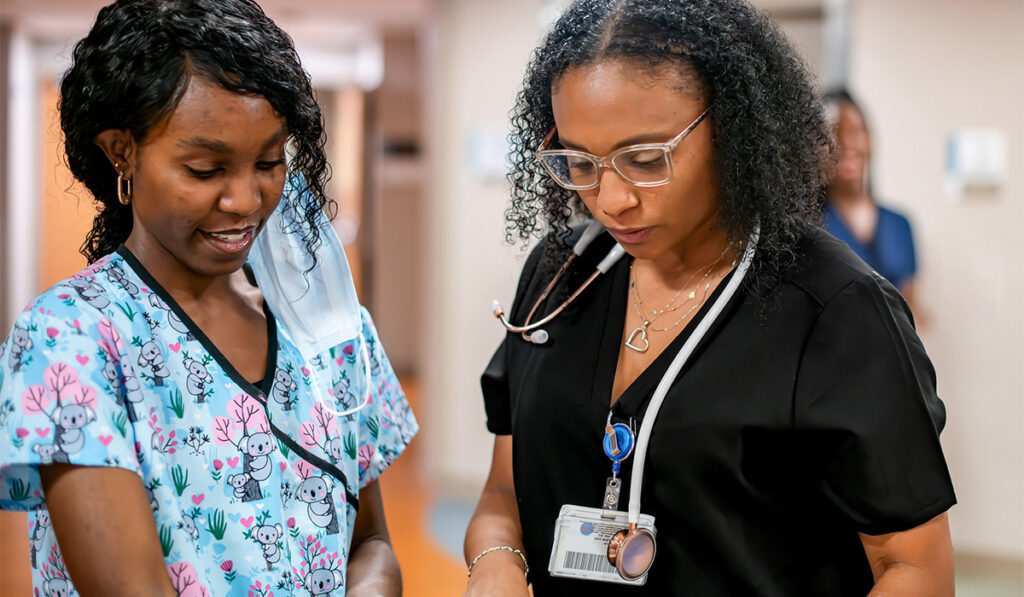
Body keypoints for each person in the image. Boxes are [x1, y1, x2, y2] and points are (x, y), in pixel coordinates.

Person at [464, 1, 955, 596]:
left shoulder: (836, 309)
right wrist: (496, 565)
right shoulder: (560, 274)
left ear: (731, 125)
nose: (611, 199)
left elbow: (915, 570)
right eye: (579, 162)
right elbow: (501, 494)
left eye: (645, 160)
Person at [0, 1, 417, 596]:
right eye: (204, 169)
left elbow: (371, 542)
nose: (247, 200)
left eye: (270, 161)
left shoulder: (329, 327)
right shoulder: (70, 338)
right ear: (122, 151)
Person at [822, 89, 921, 315]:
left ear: (870, 139)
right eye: (833, 134)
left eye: (856, 132)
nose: (846, 145)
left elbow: (910, 310)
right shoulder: (809, 224)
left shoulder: (900, 224)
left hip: (893, 350)